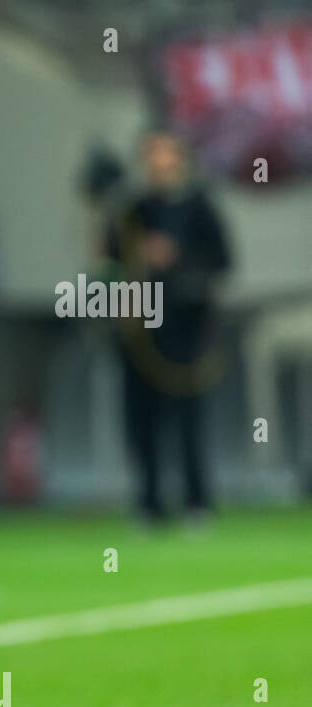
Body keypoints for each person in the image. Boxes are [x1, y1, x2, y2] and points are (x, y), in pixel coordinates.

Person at [106, 129, 231, 524]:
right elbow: (108, 258)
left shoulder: (200, 208)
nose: (160, 167)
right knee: (140, 416)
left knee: (187, 414)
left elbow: (222, 262)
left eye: (167, 157)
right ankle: (149, 502)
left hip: (186, 326)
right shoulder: (132, 210)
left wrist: (177, 259)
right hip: (139, 327)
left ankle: (196, 500)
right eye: (152, 158)